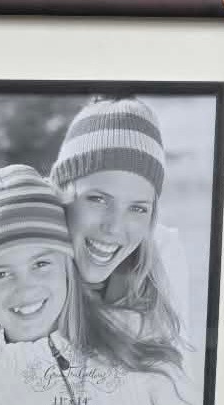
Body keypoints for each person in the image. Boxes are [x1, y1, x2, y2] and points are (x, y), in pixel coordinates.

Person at [0, 164, 182, 405]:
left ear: (67, 266)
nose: (25, 289)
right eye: (1, 274)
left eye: (41, 264)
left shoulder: (136, 347)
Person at [48, 95, 188, 358]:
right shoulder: (17, 260)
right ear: (61, 196)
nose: (114, 227)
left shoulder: (160, 259)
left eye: (138, 208)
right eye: (98, 199)